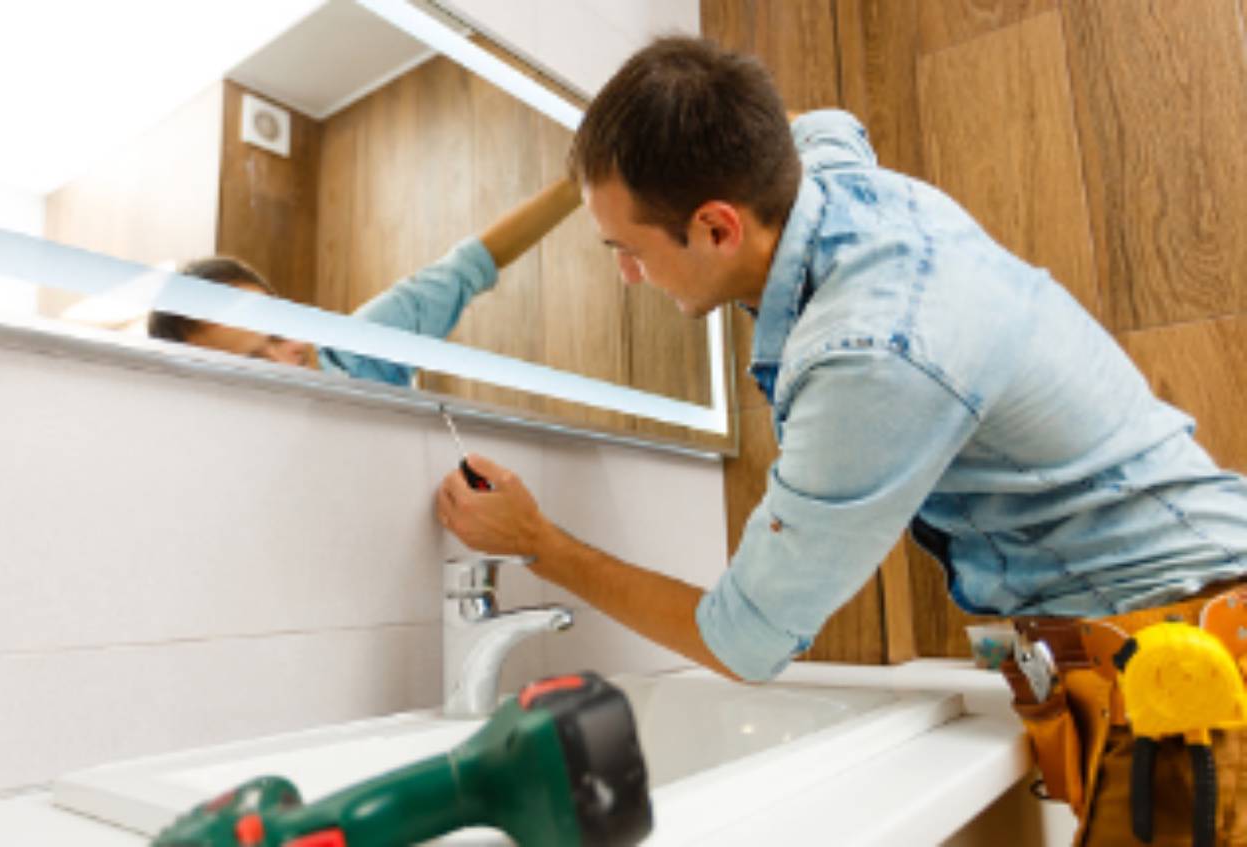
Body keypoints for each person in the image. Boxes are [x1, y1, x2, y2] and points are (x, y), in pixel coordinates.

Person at [434, 36, 1247, 845]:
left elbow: (742, 639)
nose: (627, 275)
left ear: (716, 227)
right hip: (1164, 635)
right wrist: (653, 138)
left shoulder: (869, 354)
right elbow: (823, 120)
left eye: (628, 249)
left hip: (1184, 672)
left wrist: (538, 542)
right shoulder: (820, 174)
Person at [148, 176, 581, 386]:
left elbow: (467, 266)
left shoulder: (359, 350)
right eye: (253, 362)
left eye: (279, 332)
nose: (288, 358)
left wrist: (579, 183)